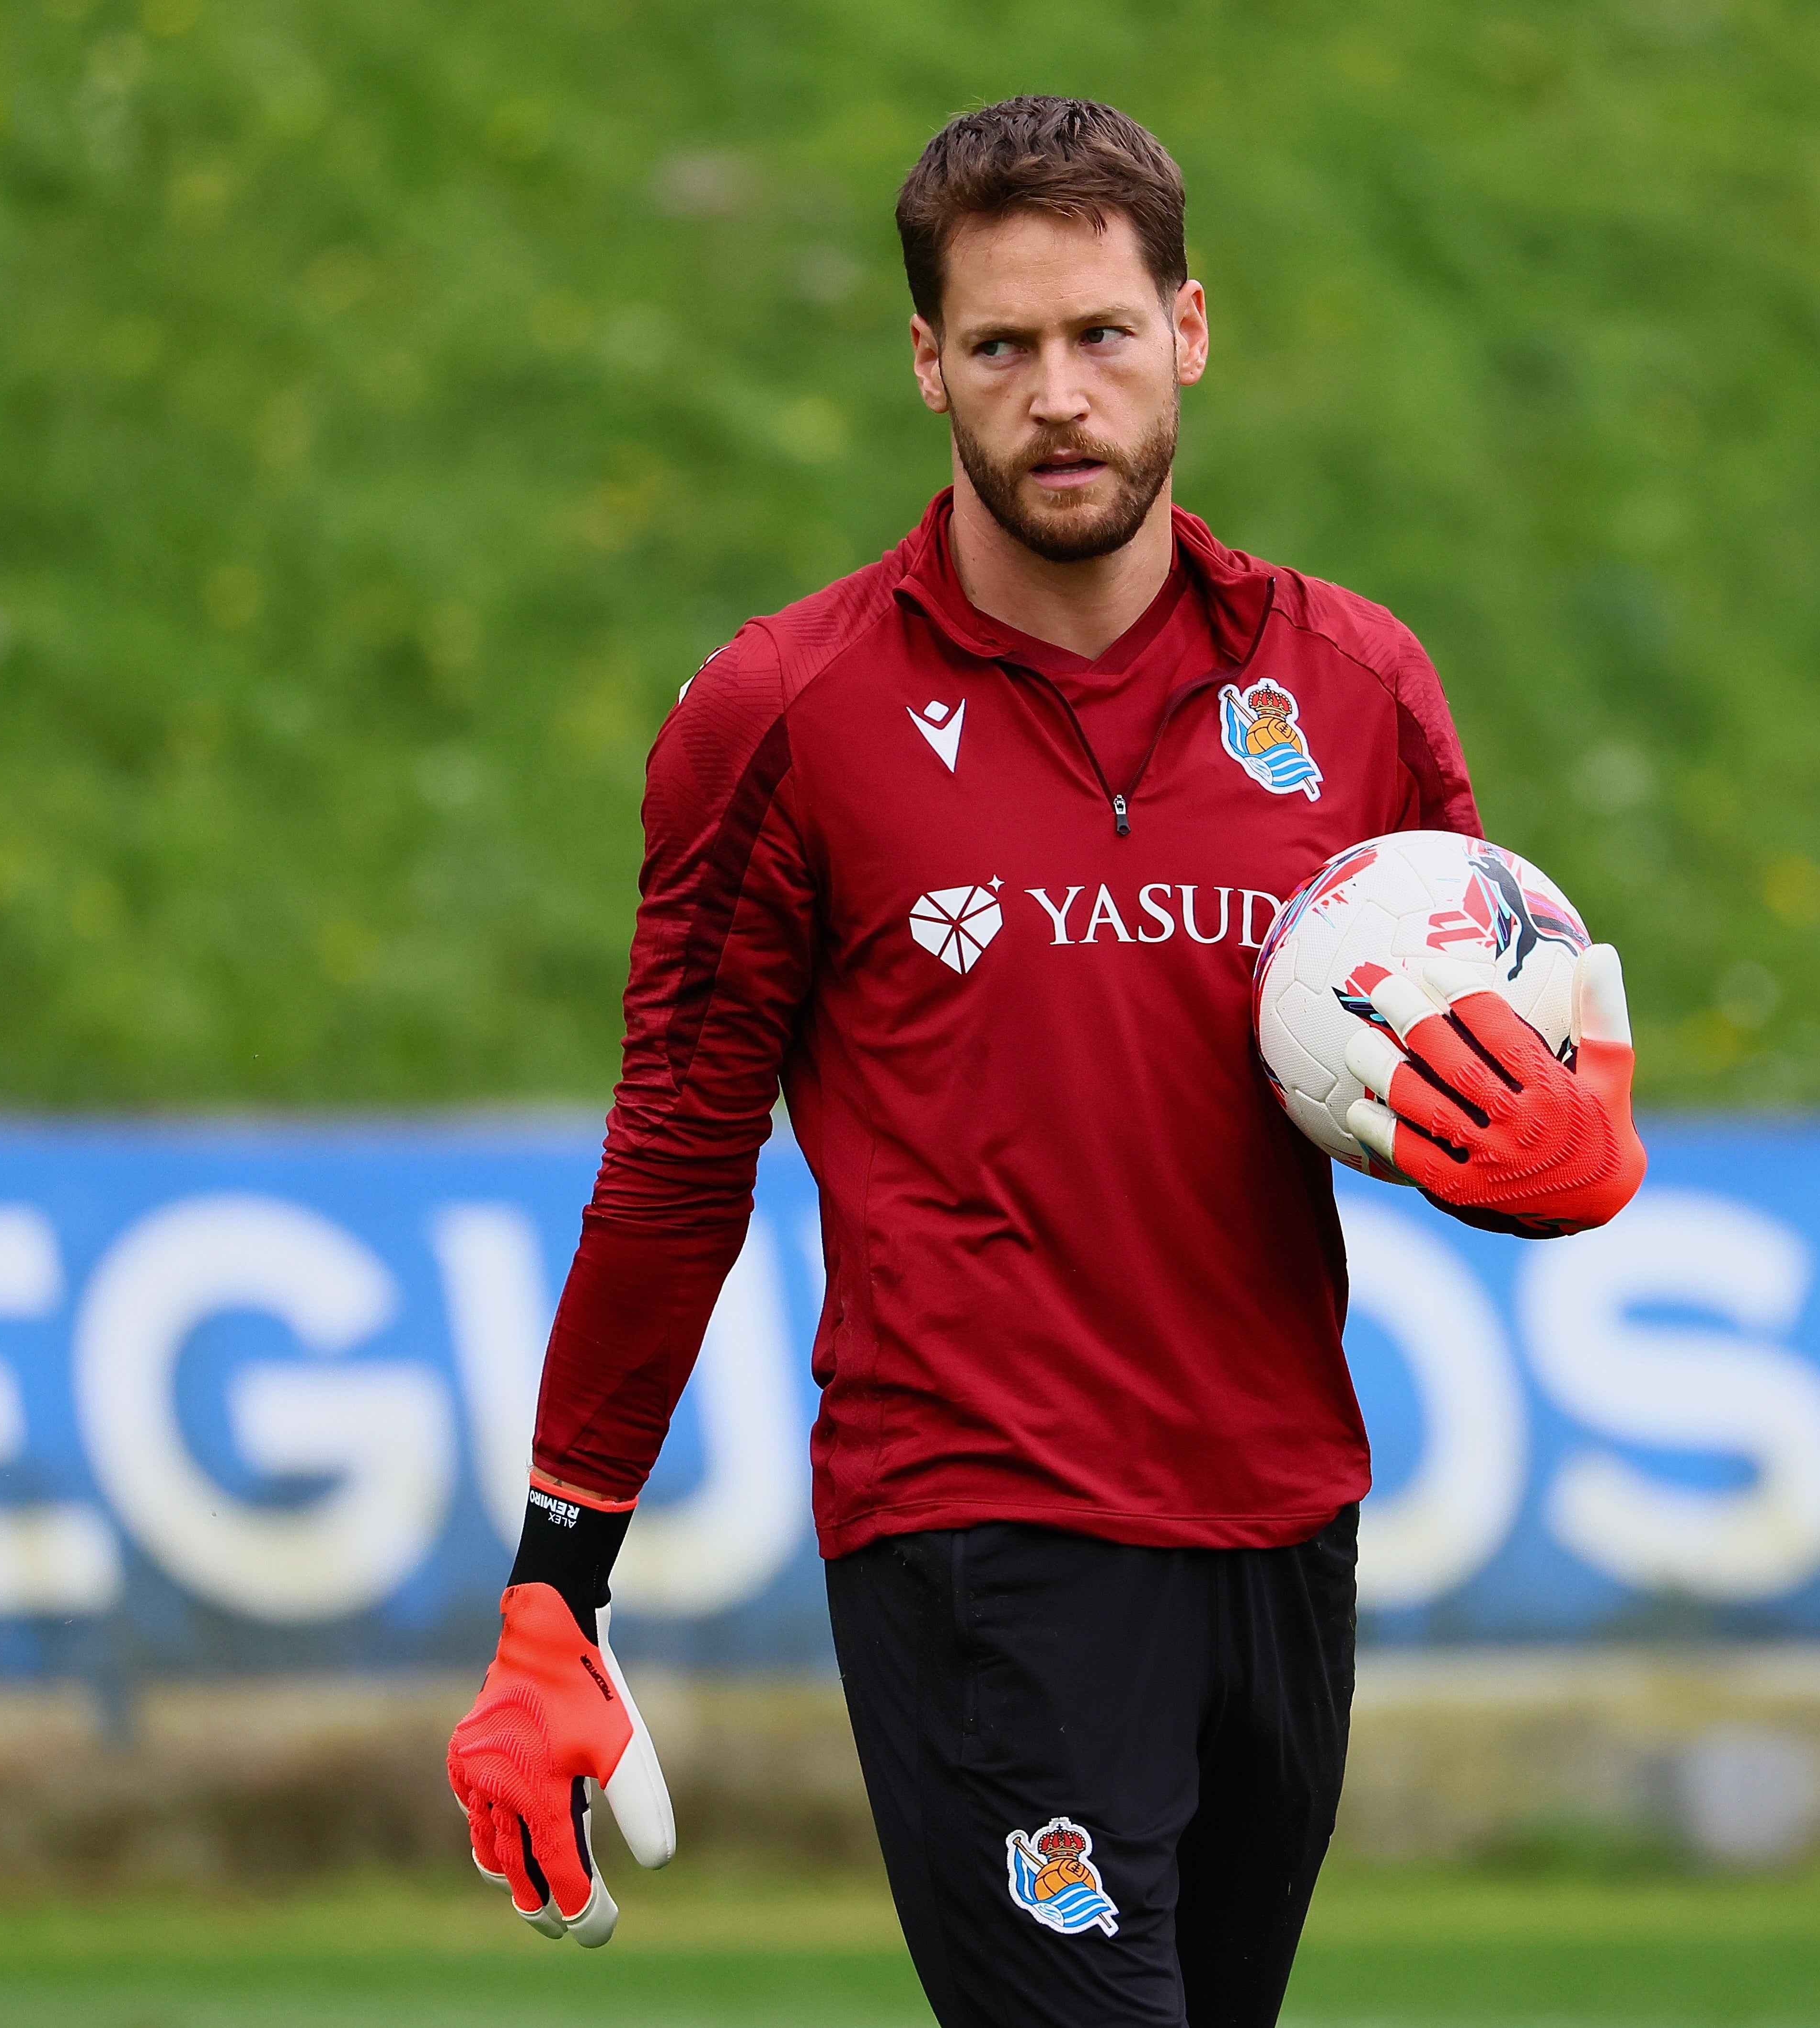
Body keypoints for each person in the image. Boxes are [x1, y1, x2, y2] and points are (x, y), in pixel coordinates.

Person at [445, 95, 1644, 2027]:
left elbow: (1480, 1045)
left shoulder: (1351, 688)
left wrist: (1580, 1154)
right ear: (925, 363)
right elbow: (674, 1158)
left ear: (1188, 327)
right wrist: (550, 1588)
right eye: (999, 345)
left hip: (1279, 1524)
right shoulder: (785, 715)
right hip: (979, 1534)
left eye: (1098, 334)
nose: (1056, 393)